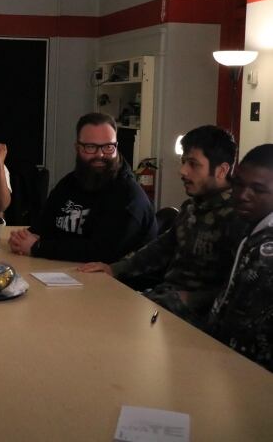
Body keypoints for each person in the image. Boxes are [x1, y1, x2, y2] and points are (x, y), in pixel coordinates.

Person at [78, 125, 246, 322]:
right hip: (163, 302)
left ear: (222, 170)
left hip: (197, 322)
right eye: (184, 162)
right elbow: (161, 249)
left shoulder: (239, 216)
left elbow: (239, 287)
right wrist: (114, 269)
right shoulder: (191, 208)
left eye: (193, 164)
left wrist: (191, 299)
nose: (182, 171)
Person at [8, 112, 155, 262]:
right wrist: (22, 239)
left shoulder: (129, 197)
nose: (101, 155)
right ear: (77, 147)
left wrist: (38, 247)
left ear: (116, 146)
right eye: (91, 147)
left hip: (115, 282)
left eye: (108, 147)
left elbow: (103, 253)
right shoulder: (70, 183)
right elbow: (42, 227)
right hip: (66, 273)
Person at [206, 144, 273, 372]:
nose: (243, 195)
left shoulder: (265, 252)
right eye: (238, 184)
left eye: (258, 189)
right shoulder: (249, 227)